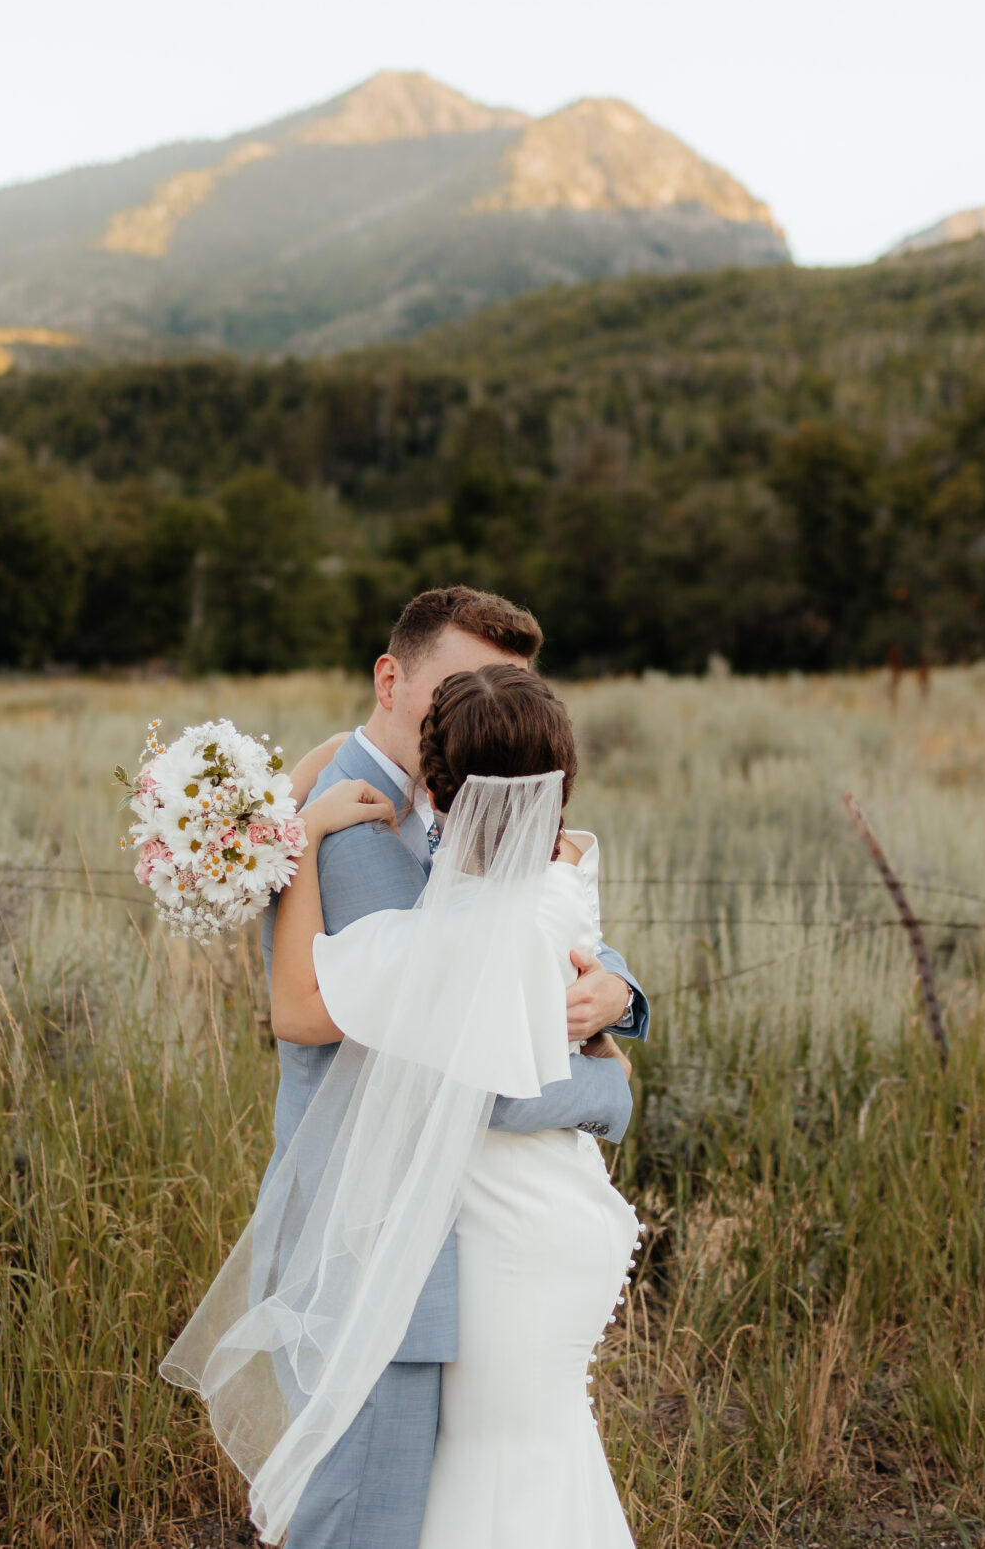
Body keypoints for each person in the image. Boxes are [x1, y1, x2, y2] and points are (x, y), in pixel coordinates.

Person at [163, 590, 645, 1547]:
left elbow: (530, 935)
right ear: (392, 679)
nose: (478, 705)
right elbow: (316, 1018)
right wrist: (613, 1089)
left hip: (452, 1233)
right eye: (459, 687)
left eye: (499, 688)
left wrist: (620, 993)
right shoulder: (345, 831)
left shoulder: (445, 794)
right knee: (367, 1518)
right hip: (373, 1231)